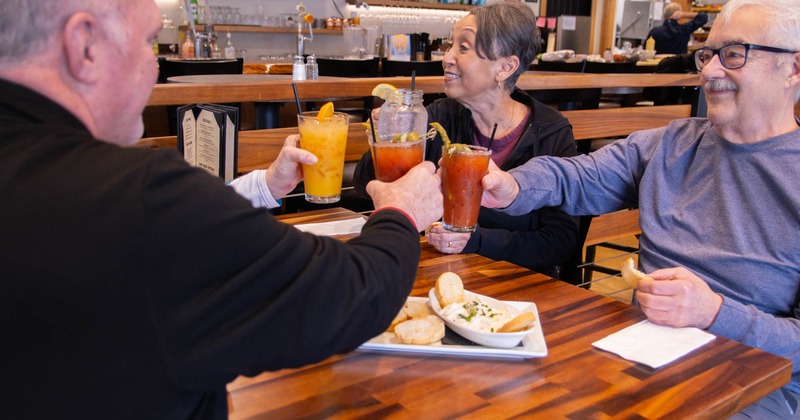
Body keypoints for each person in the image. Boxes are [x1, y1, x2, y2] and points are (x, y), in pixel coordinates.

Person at [0, 0, 442, 418]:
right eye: (147, 43)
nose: (154, 65)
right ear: (85, 47)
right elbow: (352, 294)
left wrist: (264, 186)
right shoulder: (143, 195)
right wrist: (400, 211)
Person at [481, 0, 800, 416]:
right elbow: (579, 176)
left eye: (734, 54)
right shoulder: (672, 144)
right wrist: (513, 185)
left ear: (793, 69)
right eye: (706, 54)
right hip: (639, 350)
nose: (709, 71)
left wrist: (714, 313)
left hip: (756, 378)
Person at [353, 1, 579, 279]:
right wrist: (384, 141)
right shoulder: (438, 118)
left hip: (519, 286)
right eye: (450, 45)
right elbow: (367, 188)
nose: (447, 58)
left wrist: (475, 240)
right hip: (440, 276)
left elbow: (560, 242)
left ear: (506, 67)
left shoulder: (551, 133)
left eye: (463, 47)